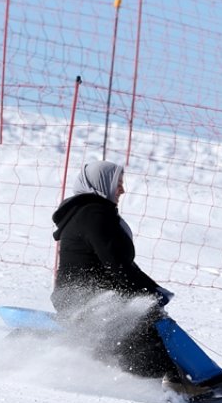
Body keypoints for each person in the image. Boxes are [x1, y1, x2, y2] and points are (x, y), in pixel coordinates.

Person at [50, 160, 183, 381]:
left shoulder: (89, 212)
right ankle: (165, 380)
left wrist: (151, 288)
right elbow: (117, 265)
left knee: (141, 310)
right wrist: (146, 295)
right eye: (117, 183)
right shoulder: (94, 214)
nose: (122, 189)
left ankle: (165, 374)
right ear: (101, 182)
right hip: (84, 299)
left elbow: (119, 263)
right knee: (140, 319)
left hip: (78, 296)